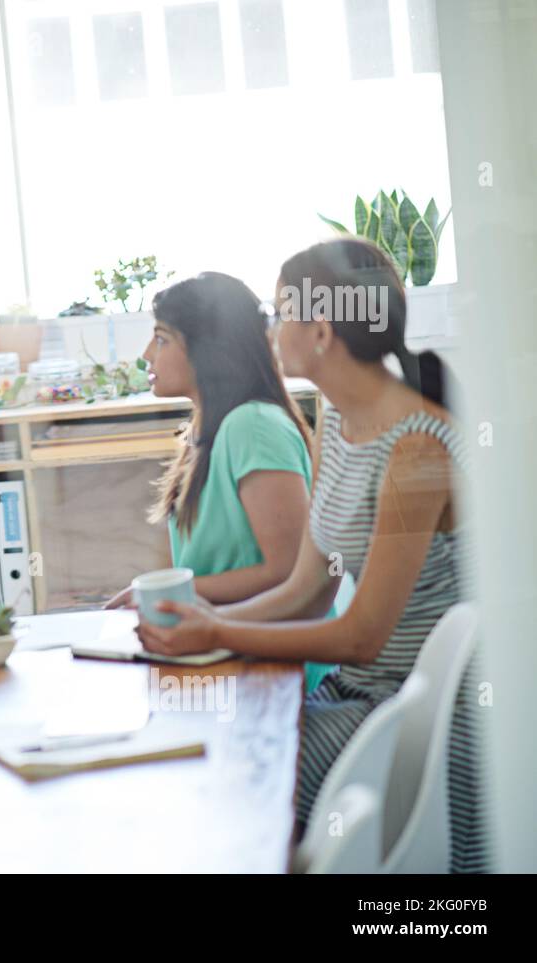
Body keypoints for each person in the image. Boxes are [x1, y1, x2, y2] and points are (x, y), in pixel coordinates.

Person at [135, 238, 489, 872]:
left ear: (320, 331)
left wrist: (217, 630)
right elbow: (305, 587)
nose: (268, 329)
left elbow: (361, 637)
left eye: (279, 312)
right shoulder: (338, 416)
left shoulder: (417, 450)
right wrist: (206, 633)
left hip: (413, 717)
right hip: (362, 695)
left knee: (231, 777)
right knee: (218, 748)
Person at [104, 272, 334, 691]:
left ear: (208, 349)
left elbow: (288, 572)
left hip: (280, 673)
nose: (146, 354)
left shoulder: (253, 426)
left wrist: (169, 599)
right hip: (229, 654)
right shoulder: (206, 430)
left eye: (162, 339)